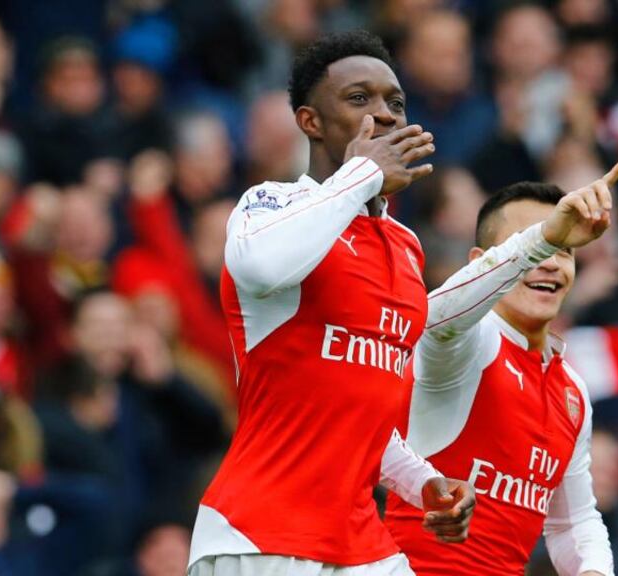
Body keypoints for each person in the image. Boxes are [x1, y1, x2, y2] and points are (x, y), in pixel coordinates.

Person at [187, 31, 475, 576]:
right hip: (260, 535)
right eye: (359, 98)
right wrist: (362, 173)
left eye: (395, 102)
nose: (386, 115)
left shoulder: (407, 246)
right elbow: (261, 267)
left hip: (363, 541)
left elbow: (359, 410)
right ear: (310, 122)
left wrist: (422, 482)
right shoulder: (269, 205)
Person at [385, 169, 618, 576]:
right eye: (537, 245)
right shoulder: (468, 344)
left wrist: (594, 571)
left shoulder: (572, 390)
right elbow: (437, 319)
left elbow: (573, 521)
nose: (550, 262)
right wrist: (543, 239)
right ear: (483, 264)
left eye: (565, 249)